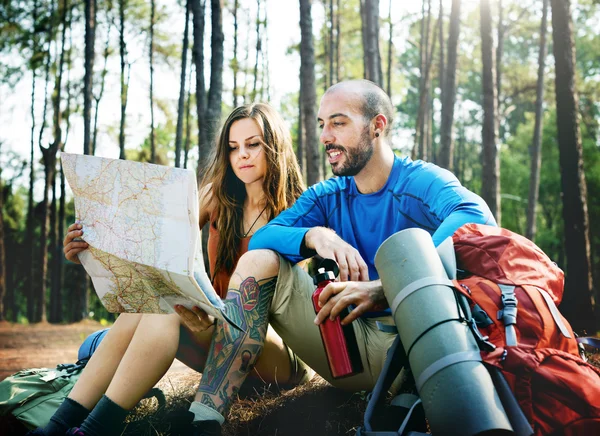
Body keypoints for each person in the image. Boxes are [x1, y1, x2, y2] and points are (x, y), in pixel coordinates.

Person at [183, 79, 497, 435]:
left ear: (377, 126)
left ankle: (403, 405)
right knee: (260, 261)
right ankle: (205, 417)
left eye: (339, 122)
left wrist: (387, 287)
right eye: (322, 124)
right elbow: (264, 239)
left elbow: (475, 214)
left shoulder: (419, 182)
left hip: (421, 350)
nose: (325, 136)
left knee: (415, 247)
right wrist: (315, 235)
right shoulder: (328, 195)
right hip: (350, 348)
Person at [30, 103, 312, 436]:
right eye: (233, 147)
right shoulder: (217, 196)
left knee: (167, 308)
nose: (242, 156)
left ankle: (90, 431)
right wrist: (91, 248)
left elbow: (285, 306)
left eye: (253, 145)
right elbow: (156, 251)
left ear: (274, 146)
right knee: (158, 304)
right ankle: (60, 427)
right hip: (217, 332)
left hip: (273, 351)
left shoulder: (298, 207)